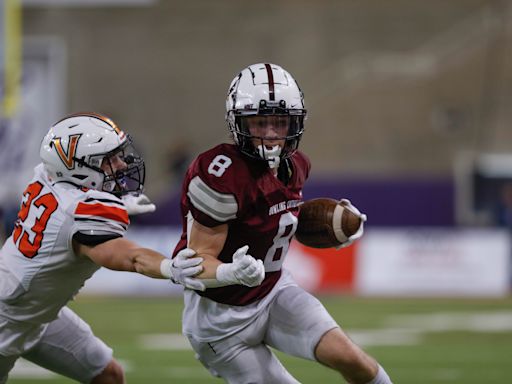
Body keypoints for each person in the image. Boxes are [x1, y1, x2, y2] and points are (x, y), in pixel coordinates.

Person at [172, 63, 393, 383]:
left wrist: (336, 224)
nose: (272, 133)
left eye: (280, 121)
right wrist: (230, 271)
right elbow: (196, 263)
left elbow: (278, 219)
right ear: (239, 123)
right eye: (260, 122)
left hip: (274, 292)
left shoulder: (298, 165)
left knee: (353, 360)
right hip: (219, 321)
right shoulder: (220, 173)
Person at [0, 112, 208, 384]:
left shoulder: (46, 176)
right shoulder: (77, 211)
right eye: (109, 159)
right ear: (78, 168)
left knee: (107, 375)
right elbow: (127, 256)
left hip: (37, 313)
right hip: (8, 322)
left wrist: (117, 204)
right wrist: (168, 266)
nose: (121, 164)